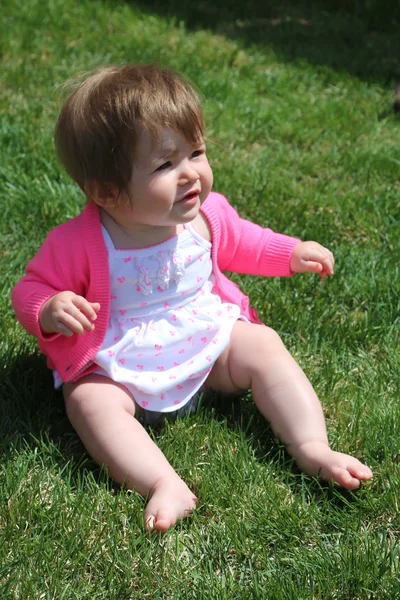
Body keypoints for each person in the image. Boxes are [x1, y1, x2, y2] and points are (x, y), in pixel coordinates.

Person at [11, 64, 372, 532]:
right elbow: (29, 288)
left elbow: (247, 241)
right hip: (123, 363)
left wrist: (290, 252)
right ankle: (162, 481)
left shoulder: (206, 218)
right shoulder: (79, 242)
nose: (191, 174)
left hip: (205, 342)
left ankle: (312, 446)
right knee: (89, 402)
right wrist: (48, 308)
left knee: (263, 345)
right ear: (106, 191)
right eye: (165, 164)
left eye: (196, 152)